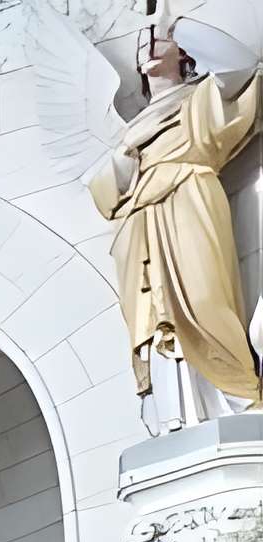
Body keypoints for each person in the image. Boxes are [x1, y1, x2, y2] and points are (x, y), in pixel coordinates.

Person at [93, 29, 263, 433]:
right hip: (139, 224)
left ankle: (235, 395)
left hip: (190, 199)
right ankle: (175, 414)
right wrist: (121, 163)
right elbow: (104, 194)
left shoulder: (199, 99)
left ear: (183, 51)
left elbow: (239, 77)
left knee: (204, 297)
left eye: (160, 38)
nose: (148, 46)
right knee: (153, 321)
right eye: (141, 42)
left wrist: (187, 23)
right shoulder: (129, 134)